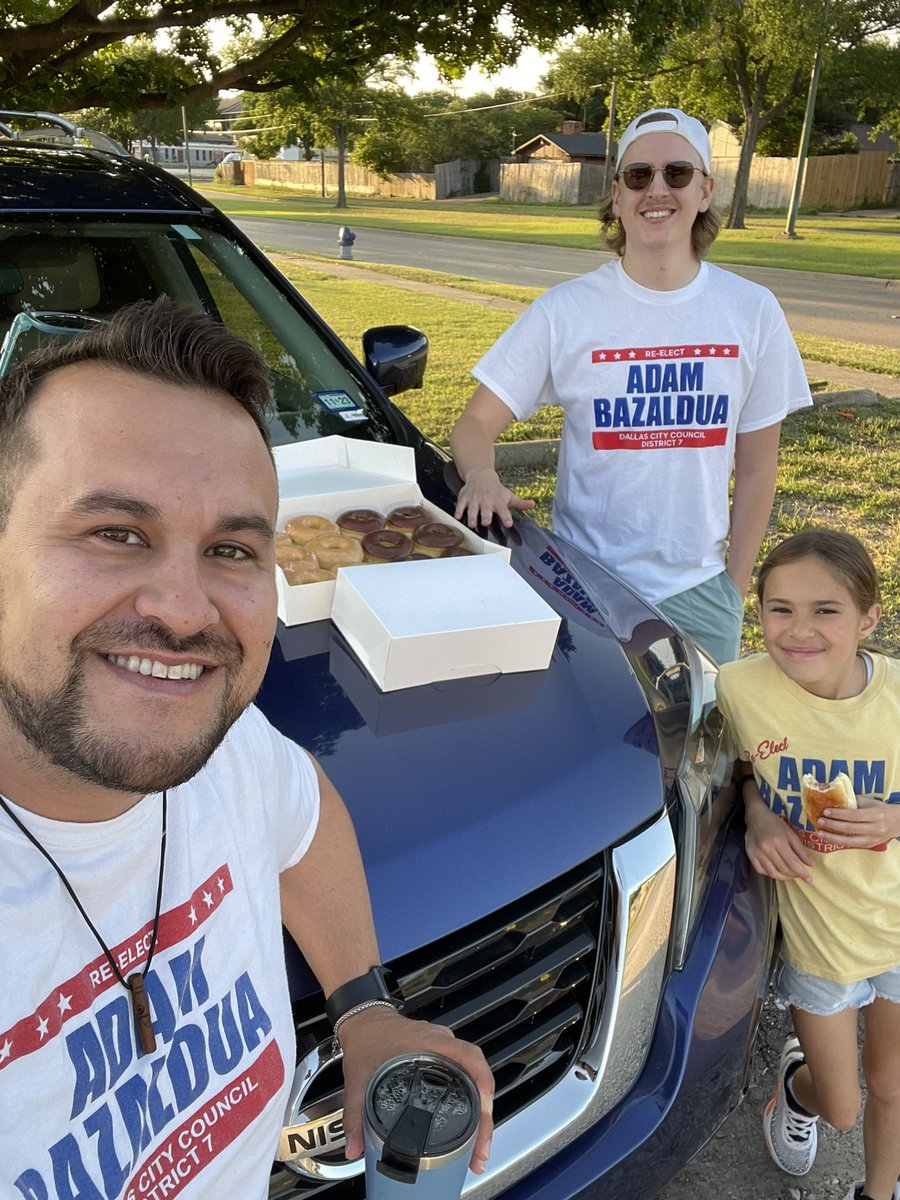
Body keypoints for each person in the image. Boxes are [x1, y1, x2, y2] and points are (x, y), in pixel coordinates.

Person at [0, 299, 493, 1196]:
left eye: (231, 549)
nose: (185, 613)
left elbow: (299, 813)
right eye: (116, 533)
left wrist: (364, 1008)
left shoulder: (224, 747)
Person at [449, 107, 812, 665]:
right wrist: (482, 475)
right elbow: (476, 423)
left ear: (706, 190)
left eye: (677, 174)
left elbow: (759, 466)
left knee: (703, 744)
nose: (657, 190)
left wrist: (732, 587)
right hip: (583, 584)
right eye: (638, 175)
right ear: (617, 194)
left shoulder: (752, 311)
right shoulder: (565, 312)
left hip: (700, 590)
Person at [716, 529, 900, 1200]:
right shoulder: (739, 688)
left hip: (898, 929)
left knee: (891, 1086)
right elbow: (731, 767)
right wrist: (759, 810)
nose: (798, 631)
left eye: (826, 610)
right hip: (823, 943)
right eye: (778, 609)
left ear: (868, 618)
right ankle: (796, 1090)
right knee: (843, 1106)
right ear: (757, 612)